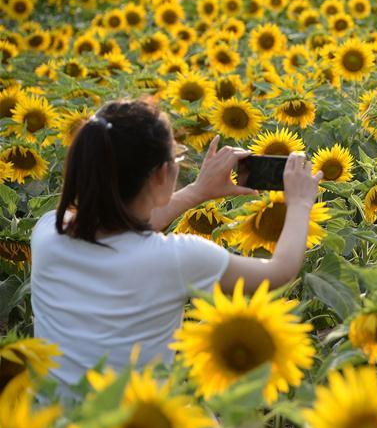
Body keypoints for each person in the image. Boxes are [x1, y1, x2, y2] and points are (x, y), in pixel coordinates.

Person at [30, 99, 322, 392]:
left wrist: (198, 191)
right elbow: (279, 271)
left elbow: (120, 225)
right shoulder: (178, 259)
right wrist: (299, 203)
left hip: (53, 427)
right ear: (160, 175)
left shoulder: (46, 232)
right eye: (177, 157)